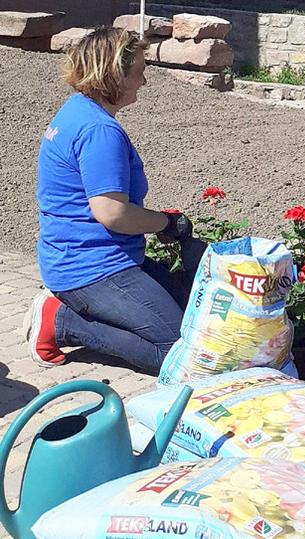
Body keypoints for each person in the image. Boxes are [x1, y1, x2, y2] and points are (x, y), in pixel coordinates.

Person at [25, 27, 198, 375]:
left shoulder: (77, 110)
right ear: (113, 75)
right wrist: (166, 222)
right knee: (182, 357)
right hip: (91, 267)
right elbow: (112, 213)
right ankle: (61, 322)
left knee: (194, 321)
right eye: (139, 72)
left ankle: (69, 313)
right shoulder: (99, 131)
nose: (144, 82)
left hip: (89, 255)